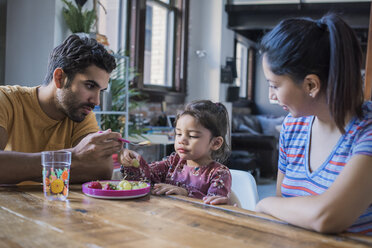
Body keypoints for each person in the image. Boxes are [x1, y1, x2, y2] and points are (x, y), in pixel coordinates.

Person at [255, 13, 372, 235]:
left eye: (275, 85)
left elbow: (327, 216)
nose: (271, 96)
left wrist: (264, 203)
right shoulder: (293, 127)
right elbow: (285, 207)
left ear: (311, 85)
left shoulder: (366, 132)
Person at [0, 34, 123, 184]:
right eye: (90, 86)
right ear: (59, 78)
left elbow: (101, 170)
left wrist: (18, 172)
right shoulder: (5, 100)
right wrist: (73, 156)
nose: (96, 101)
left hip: (57, 206)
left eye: (101, 91)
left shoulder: (80, 112)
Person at [120, 100, 232, 205]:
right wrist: (132, 162)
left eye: (192, 136)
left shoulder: (219, 174)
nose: (181, 140)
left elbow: (216, 207)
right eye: (178, 134)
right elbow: (145, 178)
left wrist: (186, 193)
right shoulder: (173, 162)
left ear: (216, 143)